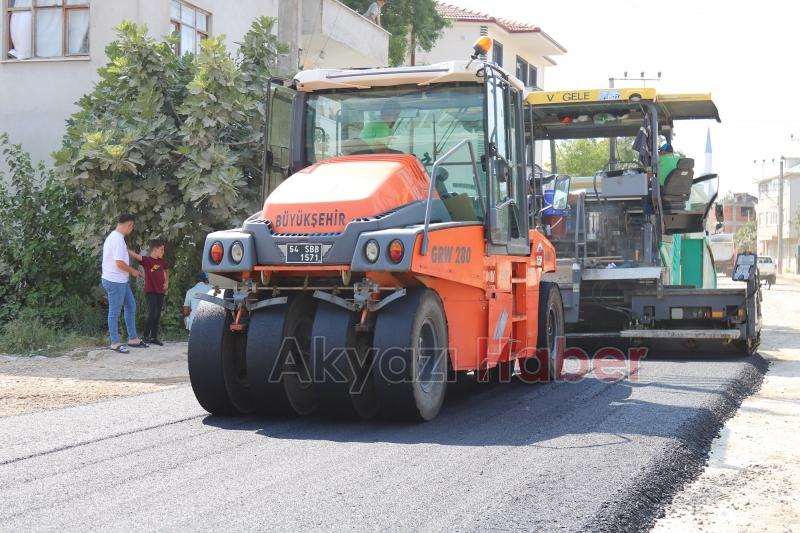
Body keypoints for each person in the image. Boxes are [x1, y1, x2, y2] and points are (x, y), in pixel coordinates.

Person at [101, 214, 147, 353]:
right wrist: (133, 271)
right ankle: (115, 342)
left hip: (120, 280)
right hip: (115, 282)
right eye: (132, 227)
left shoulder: (116, 237)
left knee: (130, 306)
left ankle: (133, 339)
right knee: (114, 312)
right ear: (129, 225)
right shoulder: (117, 240)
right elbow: (119, 263)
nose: (131, 230)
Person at [129, 239, 169, 346]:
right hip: (151, 291)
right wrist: (127, 249)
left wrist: (167, 282)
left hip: (160, 291)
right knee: (152, 313)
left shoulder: (161, 261)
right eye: (161, 250)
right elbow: (137, 256)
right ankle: (145, 336)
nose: (163, 252)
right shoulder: (147, 260)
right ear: (155, 250)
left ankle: (154, 337)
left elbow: (166, 270)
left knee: (157, 314)